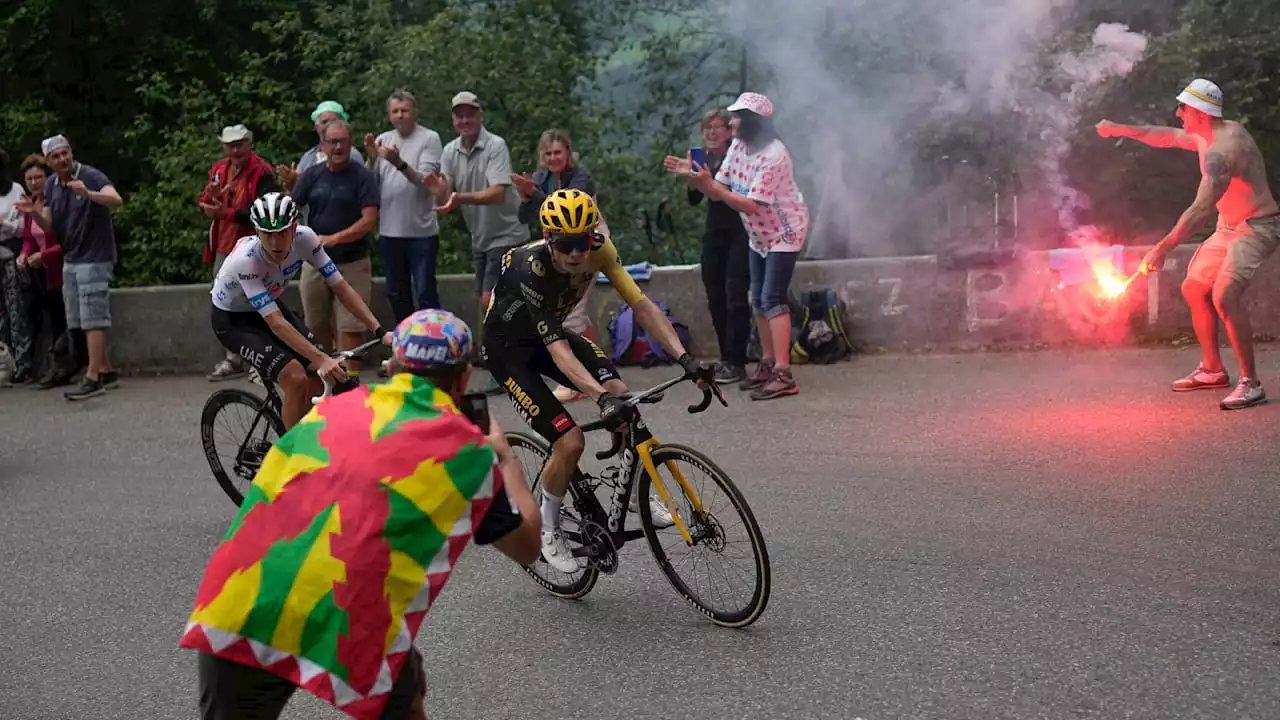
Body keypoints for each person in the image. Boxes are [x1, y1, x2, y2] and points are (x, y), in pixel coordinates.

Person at [182, 307, 540, 720]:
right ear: (463, 380)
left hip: (240, 597)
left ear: (391, 368)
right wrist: (505, 458)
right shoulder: (468, 451)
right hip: (352, 611)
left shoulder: (329, 410)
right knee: (396, 683)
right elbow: (529, 545)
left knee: (404, 673)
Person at [481, 188, 714, 573]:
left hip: (549, 335)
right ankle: (549, 528)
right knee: (570, 442)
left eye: (585, 241)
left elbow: (642, 305)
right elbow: (557, 350)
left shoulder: (600, 250)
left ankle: (637, 492)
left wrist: (685, 358)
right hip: (508, 349)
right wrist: (597, 396)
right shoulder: (529, 267)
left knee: (624, 397)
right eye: (568, 244)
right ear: (550, 240)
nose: (578, 253)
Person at [1098, 78, 1280, 410]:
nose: (1178, 113)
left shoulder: (1224, 151)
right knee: (1194, 289)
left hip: (1257, 227)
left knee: (1225, 294)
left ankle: (1251, 384)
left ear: (1199, 112)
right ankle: (1212, 370)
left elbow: (1199, 211)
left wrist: (1161, 249)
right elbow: (1165, 135)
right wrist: (1119, 128)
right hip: (1228, 227)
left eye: (1183, 108)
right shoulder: (1206, 134)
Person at [665, 92, 809, 401]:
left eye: (737, 117)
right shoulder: (740, 148)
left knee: (771, 298)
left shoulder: (775, 155)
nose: (732, 122)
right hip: (758, 234)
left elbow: (750, 204)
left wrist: (710, 184)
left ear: (754, 121)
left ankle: (784, 373)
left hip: (784, 231)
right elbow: (720, 188)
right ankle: (767, 364)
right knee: (757, 298)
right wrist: (698, 178)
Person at [210, 192, 389, 430]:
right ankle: (291, 458)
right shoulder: (246, 260)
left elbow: (342, 288)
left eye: (282, 233)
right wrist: (320, 358)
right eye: (267, 235)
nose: (275, 243)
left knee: (330, 376)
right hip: (233, 320)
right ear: (256, 232)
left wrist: (379, 330)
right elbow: (276, 323)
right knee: (295, 377)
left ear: (295, 227)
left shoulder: (307, 239)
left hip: (268, 306)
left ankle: (311, 431)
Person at [17, 134, 123, 400]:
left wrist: (88, 193)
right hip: (72, 258)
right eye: (56, 156)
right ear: (49, 162)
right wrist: (33, 213)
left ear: (71, 153)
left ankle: (93, 377)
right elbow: (49, 226)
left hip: (95, 256)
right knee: (77, 319)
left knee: (93, 318)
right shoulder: (52, 185)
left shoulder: (90, 175)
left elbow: (116, 200)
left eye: (65, 153)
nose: (62, 159)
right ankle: (106, 370)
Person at [201, 124, 278, 381]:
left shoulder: (263, 172)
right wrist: (210, 205)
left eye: (240, 144)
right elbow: (207, 200)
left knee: (258, 303)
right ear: (223, 147)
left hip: (254, 246)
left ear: (249, 144)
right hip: (224, 246)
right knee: (226, 302)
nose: (235, 150)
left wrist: (228, 213)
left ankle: (263, 358)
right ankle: (234, 358)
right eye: (230, 145)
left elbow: (264, 210)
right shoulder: (219, 170)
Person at [685, 110, 752, 385]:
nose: (711, 133)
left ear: (729, 132)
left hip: (740, 231)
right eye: (707, 128)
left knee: (736, 295)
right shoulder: (703, 159)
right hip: (714, 233)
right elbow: (693, 200)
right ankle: (726, 358)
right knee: (715, 295)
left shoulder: (737, 157)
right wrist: (693, 179)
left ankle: (737, 360)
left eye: (717, 127)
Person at [17, 154, 72, 390]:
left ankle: (63, 368)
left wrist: (44, 255)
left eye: (38, 177)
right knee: (42, 319)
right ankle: (44, 367)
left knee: (62, 320)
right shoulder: (30, 203)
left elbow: (65, 242)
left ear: (46, 178)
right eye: (29, 178)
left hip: (59, 269)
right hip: (40, 273)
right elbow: (30, 237)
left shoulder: (55, 203)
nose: (34, 182)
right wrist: (24, 254)